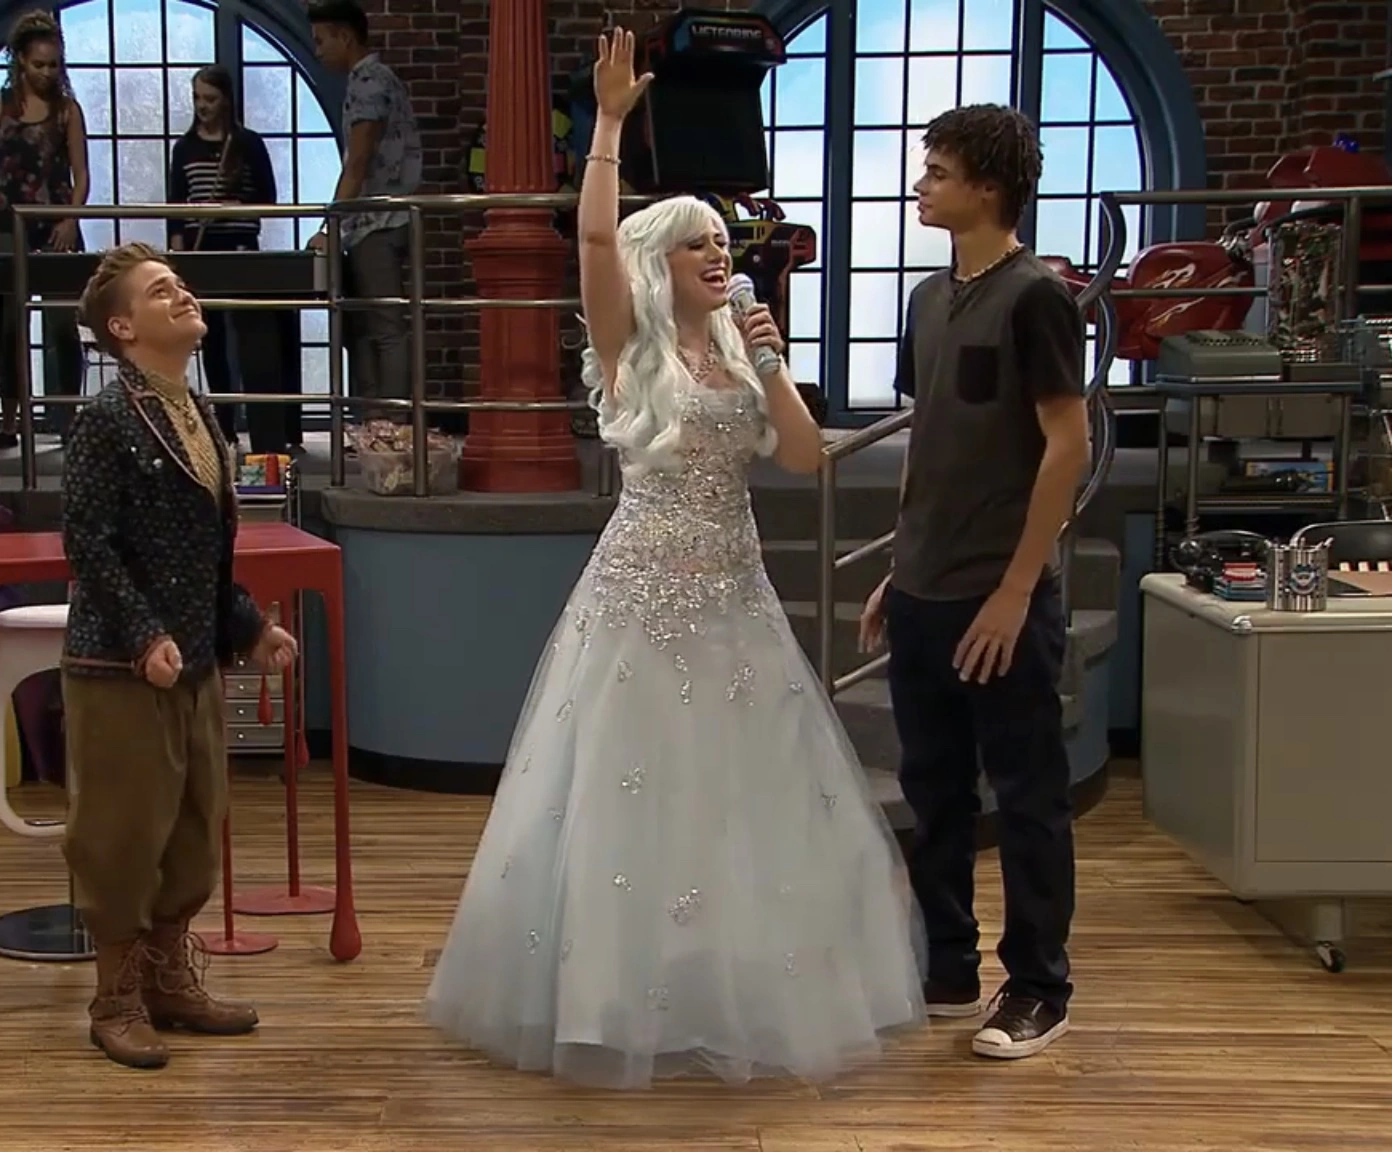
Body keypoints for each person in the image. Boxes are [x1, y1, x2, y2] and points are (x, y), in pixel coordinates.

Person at [422, 30, 926, 1091]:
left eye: (723, 241)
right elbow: (592, 242)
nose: (716, 253)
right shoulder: (630, 348)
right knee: (629, 790)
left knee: (740, 799)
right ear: (660, 264)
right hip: (641, 592)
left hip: (735, 595)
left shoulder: (741, 350)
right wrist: (608, 123)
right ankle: (612, 992)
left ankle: (726, 985)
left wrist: (773, 358)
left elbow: (803, 458)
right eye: (696, 242)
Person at [857, 104, 1091, 1061]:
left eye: (938, 172)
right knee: (935, 790)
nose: (921, 186)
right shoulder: (927, 299)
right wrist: (898, 564)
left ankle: (1039, 987)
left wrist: (1015, 590)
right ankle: (947, 964)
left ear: (988, 189)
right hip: (924, 587)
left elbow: (1067, 445)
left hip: (1002, 596)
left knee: (1027, 797)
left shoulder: (1038, 297)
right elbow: (930, 440)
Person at [59, 242, 301, 1070]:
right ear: (123, 327)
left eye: (182, 285)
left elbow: (205, 555)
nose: (183, 295)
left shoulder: (198, 411)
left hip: (194, 660)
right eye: (162, 291)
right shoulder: (107, 419)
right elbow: (89, 544)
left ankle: (168, 981)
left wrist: (247, 627)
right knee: (123, 833)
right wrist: (143, 636)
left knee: (194, 829)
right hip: (122, 667)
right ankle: (115, 999)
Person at [167, 65, 303, 455]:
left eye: (210, 99)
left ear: (226, 100)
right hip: (202, 253)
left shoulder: (248, 145)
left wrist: (235, 203)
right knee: (210, 340)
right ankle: (223, 428)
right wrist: (178, 255)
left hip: (241, 248)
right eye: (197, 98)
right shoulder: (184, 149)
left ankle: (266, 429)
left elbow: (268, 199)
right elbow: (176, 207)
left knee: (251, 340)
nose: (202, 106)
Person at [0, 9, 90, 441]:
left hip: (56, 226)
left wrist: (70, 220)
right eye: (38, 63)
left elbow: (82, 174)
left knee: (62, 326)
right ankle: (10, 419)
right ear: (21, 60)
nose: (46, 72)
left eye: (53, 64)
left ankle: (67, 417)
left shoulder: (67, 111)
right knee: (9, 329)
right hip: (8, 225)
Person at [306, 0, 422, 413]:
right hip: (375, 221)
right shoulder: (371, 79)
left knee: (385, 327)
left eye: (322, 41)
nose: (318, 51)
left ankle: (392, 423)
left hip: (378, 221)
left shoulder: (369, 81)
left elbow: (357, 161)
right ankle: (375, 417)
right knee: (368, 327)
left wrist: (329, 226)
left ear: (345, 36)